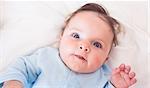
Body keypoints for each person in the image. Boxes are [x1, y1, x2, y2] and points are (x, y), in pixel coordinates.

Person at [0, 3, 137, 88]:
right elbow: (21, 67)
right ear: (61, 37)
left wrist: (116, 86)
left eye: (97, 44)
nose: (84, 46)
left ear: (106, 58)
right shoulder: (46, 57)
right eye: (76, 36)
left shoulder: (104, 78)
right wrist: (13, 83)